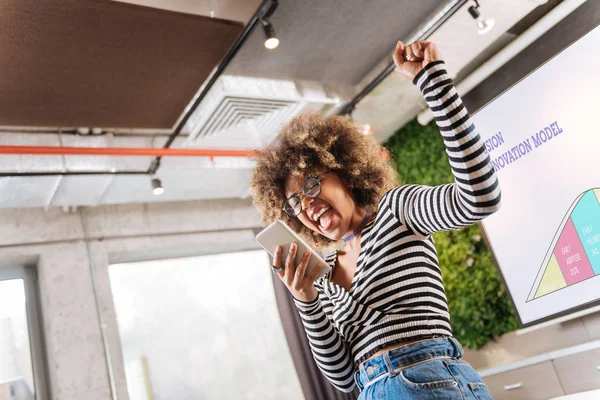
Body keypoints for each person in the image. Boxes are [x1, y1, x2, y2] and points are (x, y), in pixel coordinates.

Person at [251, 40, 499, 399]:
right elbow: (343, 376)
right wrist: (306, 300)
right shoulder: (323, 273)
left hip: (428, 379)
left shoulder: (397, 209)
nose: (306, 205)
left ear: (345, 172)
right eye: (293, 204)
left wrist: (433, 82)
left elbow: (480, 196)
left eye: (311, 183)